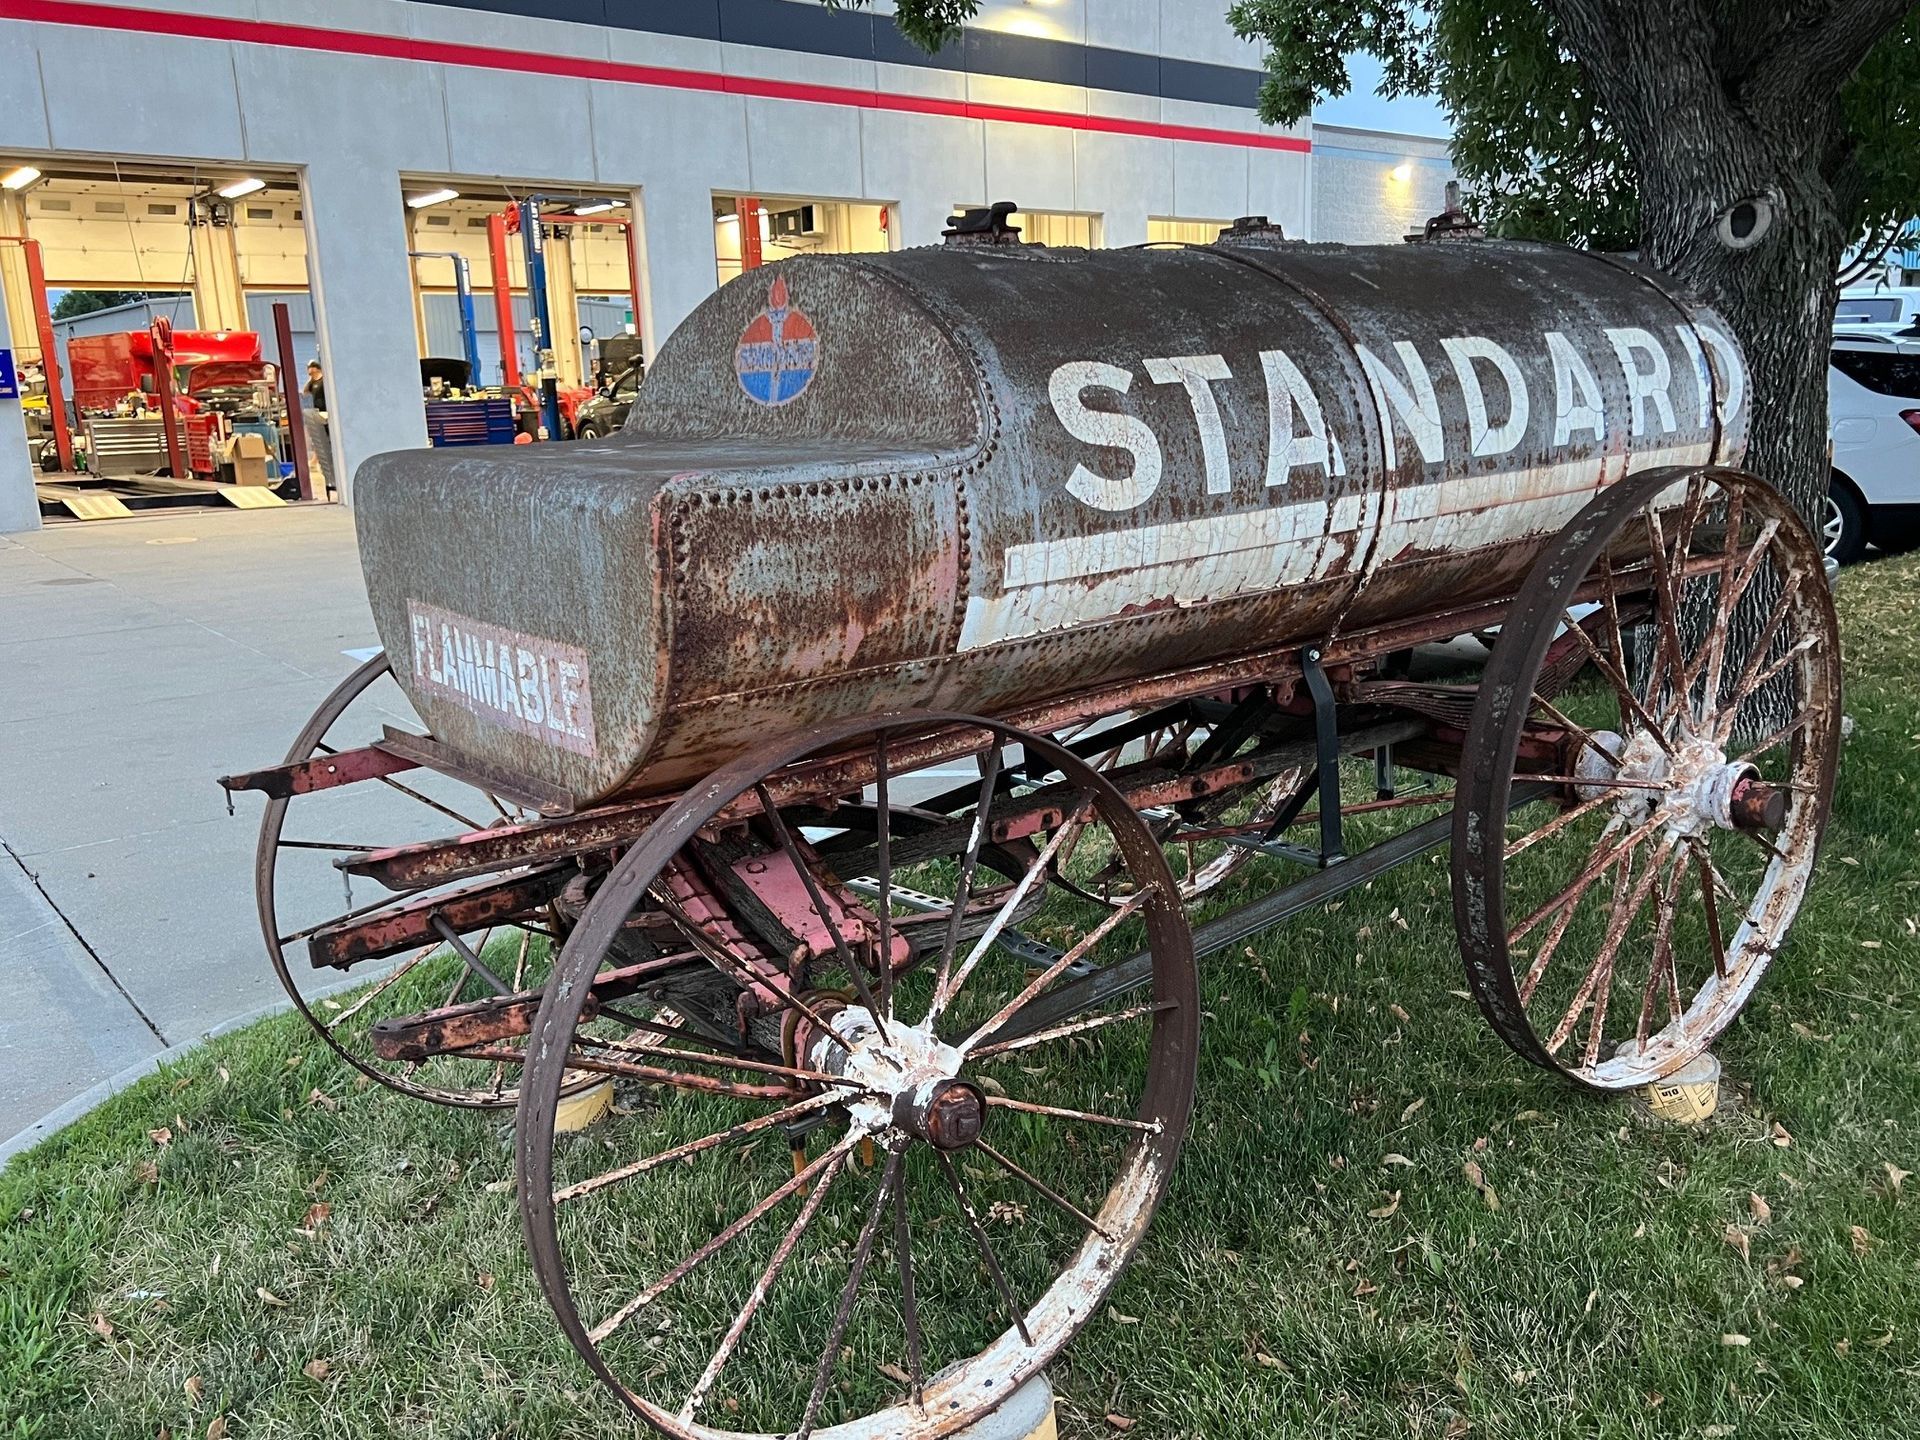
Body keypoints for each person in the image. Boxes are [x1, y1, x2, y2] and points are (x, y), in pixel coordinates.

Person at [301, 359, 332, 494]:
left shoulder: (323, 380)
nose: (308, 370)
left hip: (325, 410)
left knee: (325, 437)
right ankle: (315, 460)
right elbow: (305, 392)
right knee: (318, 437)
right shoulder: (312, 382)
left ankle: (316, 460)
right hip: (317, 410)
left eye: (310, 368)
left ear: (315, 368)